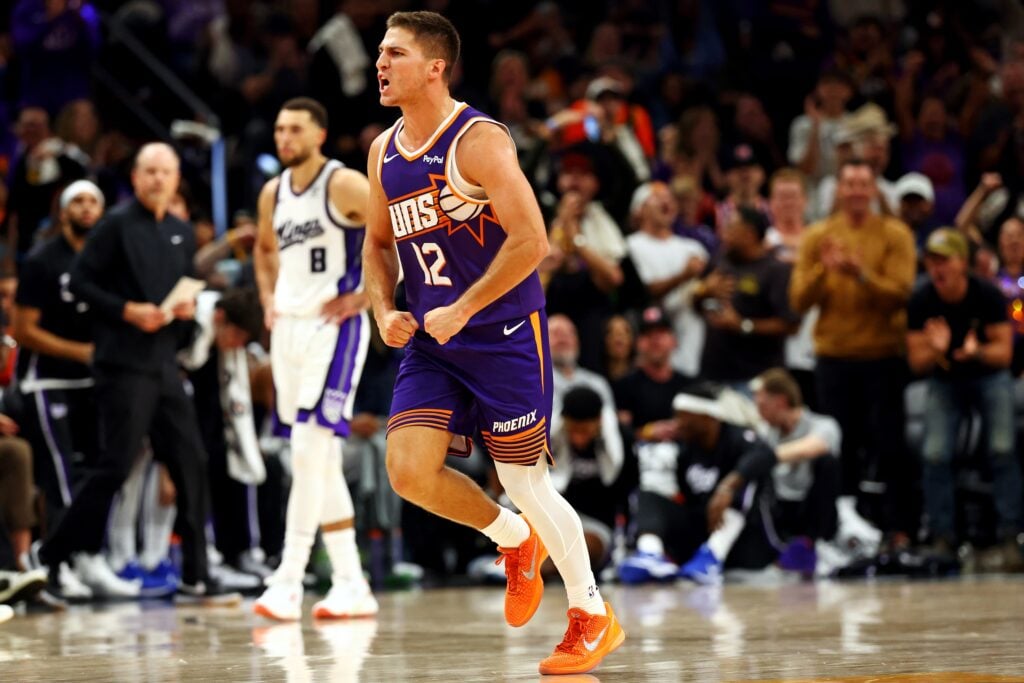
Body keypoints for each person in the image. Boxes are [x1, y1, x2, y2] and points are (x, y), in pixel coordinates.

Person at [363, 11, 624, 675]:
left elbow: (532, 239)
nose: (380, 63)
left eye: (394, 53)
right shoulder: (382, 151)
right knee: (407, 470)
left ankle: (592, 614)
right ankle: (511, 540)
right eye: (380, 52)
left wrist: (466, 305)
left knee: (523, 479)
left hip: (504, 333)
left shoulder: (477, 140)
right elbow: (375, 242)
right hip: (433, 340)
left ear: (435, 67)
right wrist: (382, 306)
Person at [36, 143, 226, 601]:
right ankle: (55, 555)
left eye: (166, 171)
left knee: (192, 461)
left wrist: (181, 310)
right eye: (150, 171)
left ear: (177, 178)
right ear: (136, 178)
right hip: (122, 364)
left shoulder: (181, 231)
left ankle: (197, 574)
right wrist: (126, 310)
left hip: (163, 363)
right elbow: (80, 282)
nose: (159, 179)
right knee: (116, 465)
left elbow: (180, 293)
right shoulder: (115, 225)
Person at [253, 97, 376, 621]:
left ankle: (289, 579)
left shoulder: (342, 183)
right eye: (279, 128)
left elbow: (397, 234)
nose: (284, 137)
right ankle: (351, 583)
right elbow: (263, 250)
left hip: (336, 327)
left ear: (319, 134)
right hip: (290, 328)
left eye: (295, 128)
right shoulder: (272, 191)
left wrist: (370, 295)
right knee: (318, 458)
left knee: (306, 448)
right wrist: (266, 298)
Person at [790, 158, 917, 543]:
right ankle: (836, 528)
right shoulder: (818, 236)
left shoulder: (895, 234)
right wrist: (823, 272)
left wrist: (859, 274)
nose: (858, 191)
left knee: (889, 445)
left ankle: (899, 528)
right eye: (850, 184)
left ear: (875, 190)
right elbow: (798, 300)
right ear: (839, 191)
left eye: (865, 184)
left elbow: (901, 295)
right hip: (834, 358)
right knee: (836, 447)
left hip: (882, 356)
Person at [906, 228, 1023, 569]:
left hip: (988, 376)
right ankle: (943, 537)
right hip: (946, 380)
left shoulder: (986, 294)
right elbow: (916, 362)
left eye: (944, 260)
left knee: (1002, 448)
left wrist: (977, 352)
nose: (937, 268)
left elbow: (1003, 354)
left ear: (962, 263)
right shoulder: (921, 299)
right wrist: (935, 349)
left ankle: (1010, 536)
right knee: (935, 454)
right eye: (932, 261)